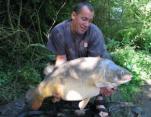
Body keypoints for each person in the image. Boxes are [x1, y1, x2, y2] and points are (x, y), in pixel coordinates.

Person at [46, 2, 114, 117]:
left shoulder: (94, 32)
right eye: (84, 19)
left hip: (89, 64)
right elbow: (61, 60)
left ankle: (99, 98)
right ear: (73, 15)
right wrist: (58, 82)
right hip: (69, 64)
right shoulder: (59, 31)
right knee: (51, 69)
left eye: (90, 20)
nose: (87, 24)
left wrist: (103, 85)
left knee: (106, 60)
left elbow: (95, 65)